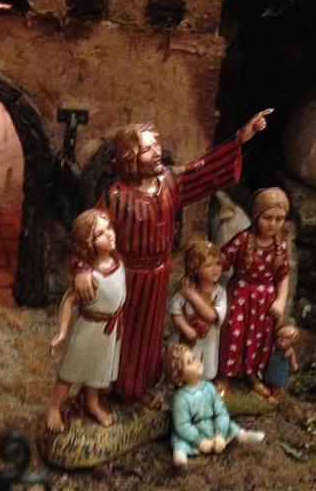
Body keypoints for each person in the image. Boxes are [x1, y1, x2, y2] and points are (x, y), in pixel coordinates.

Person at [73, 109, 272, 403]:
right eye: (147, 149)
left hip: (158, 275)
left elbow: (201, 171)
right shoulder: (116, 196)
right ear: (130, 157)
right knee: (120, 333)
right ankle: (105, 388)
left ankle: (139, 387)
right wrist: (82, 267)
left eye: (156, 145)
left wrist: (240, 139)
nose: (156, 153)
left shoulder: (169, 182)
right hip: (125, 277)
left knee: (149, 335)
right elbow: (91, 230)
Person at [46, 209, 125, 433]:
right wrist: (62, 332)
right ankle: (54, 407)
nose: (109, 234)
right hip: (89, 329)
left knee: (98, 370)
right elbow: (68, 300)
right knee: (71, 369)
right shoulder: (90, 276)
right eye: (99, 234)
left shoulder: (117, 261)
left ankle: (92, 403)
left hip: (110, 329)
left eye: (109, 228)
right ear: (88, 243)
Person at [216, 187, 290, 402]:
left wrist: (281, 300)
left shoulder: (281, 246)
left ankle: (252, 374)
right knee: (234, 333)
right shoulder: (241, 240)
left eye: (279, 219)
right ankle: (224, 376)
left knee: (259, 337)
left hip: (265, 299)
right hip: (241, 295)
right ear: (256, 215)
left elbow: (283, 276)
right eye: (267, 218)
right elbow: (221, 261)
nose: (273, 224)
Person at [166, 342, 265, 469]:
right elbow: (182, 425)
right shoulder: (180, 398)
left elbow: (221, 412)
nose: (197, 363)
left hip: (211, 425)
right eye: (190, 362)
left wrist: (220, 434)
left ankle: (242, 435)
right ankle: (180, 456)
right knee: (180, 440)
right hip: (193, 431)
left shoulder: (209, 387)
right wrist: (200, 441)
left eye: (194, 358)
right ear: (178, 375)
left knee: (230, 425)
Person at [168, 236, 227, 381]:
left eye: (218, 264)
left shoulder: (219, 293)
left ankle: (204, 384)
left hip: (209, 338)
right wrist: (185, 328)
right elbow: (175, 310)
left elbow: (212, 316)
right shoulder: (186, 288)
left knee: (207, 367)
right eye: (208, 266)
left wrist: (193, 297)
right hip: (187, 338)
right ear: (195, 269)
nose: (215, 269)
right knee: (186, 363)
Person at [263, 324, 300, 403]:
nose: (282, 343)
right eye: (280, 339)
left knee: (277, 387)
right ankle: (267, 393)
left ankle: (275, 396)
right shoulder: (272, 347)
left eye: (286, 341)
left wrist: (294, 366)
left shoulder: (290, 351)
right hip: (269, 370)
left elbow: (293, 361)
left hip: (280, 373)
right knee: (266, 382)